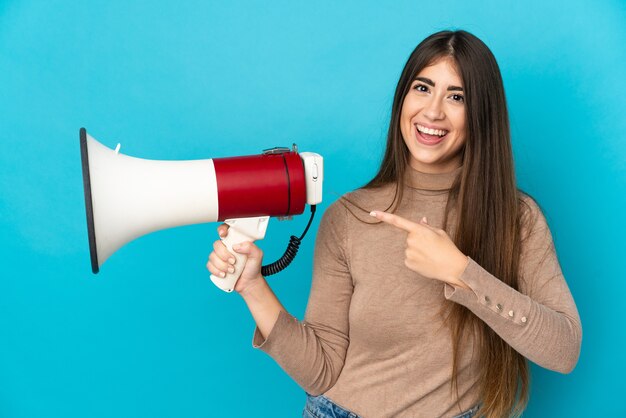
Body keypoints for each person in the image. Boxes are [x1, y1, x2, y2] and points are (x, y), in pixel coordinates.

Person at [206, 30, 582, 418]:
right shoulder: (349, 217)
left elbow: (564, 350)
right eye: (423, 88)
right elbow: (321, 372)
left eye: (457, 97)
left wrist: (459, 272)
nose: (433, 111)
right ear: (403, 97)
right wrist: (252, 286)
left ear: (481, 114)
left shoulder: (515, 219)